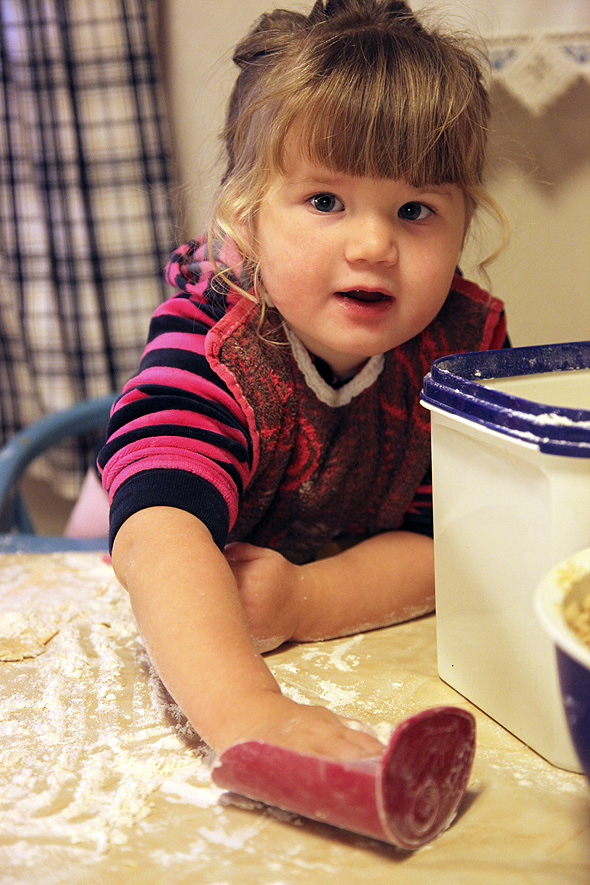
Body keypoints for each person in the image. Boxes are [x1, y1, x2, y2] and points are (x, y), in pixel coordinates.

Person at [99, 0, 508, 761]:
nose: (374, 244)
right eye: (326, 201)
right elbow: (159, 529)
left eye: (414, 208)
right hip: (156, 596)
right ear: (246, 219)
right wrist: (251, 714)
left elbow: (460, 544)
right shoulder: (217, 342)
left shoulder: (463, 349)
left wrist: (306, 600)